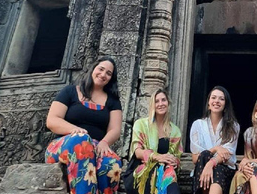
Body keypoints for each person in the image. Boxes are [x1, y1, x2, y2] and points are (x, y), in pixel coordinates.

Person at [45, 56, 122, 194]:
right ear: (93, 69)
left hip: (96, 147)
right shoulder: (70, 91)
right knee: (81, 141)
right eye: (101, 69)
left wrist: (104, 142)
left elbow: (115, 129)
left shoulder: (113, 101)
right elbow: (52, 121)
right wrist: (75, 130)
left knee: (112, 163)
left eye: (108, 73)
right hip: (63, 145)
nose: (103, 74)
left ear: (111, 78)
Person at [124, 88, 183, 194]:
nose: (160, 104)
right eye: (157, 101)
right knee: (161, 172)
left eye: (163, 100)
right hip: (142, 170)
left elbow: (177, 157)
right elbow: (137, 152)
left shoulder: (175, 131)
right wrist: (158, 157)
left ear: (168, 103)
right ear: (152, 105)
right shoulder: (141, 124)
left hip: (166, 170)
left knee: (169, 177)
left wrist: (174, 162)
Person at [190, 86, 240, 194]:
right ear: (208, 103)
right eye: (213, 98)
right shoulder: (197, 125)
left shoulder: (233, 126)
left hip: (225, 171)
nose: (216, 101)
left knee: (218, 169)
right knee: (204, 157)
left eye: (221, 99)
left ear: (226, 105)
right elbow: (195, 158)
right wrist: (216, 149)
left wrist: (210, 164)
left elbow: (227, 155)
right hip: (201, 170)